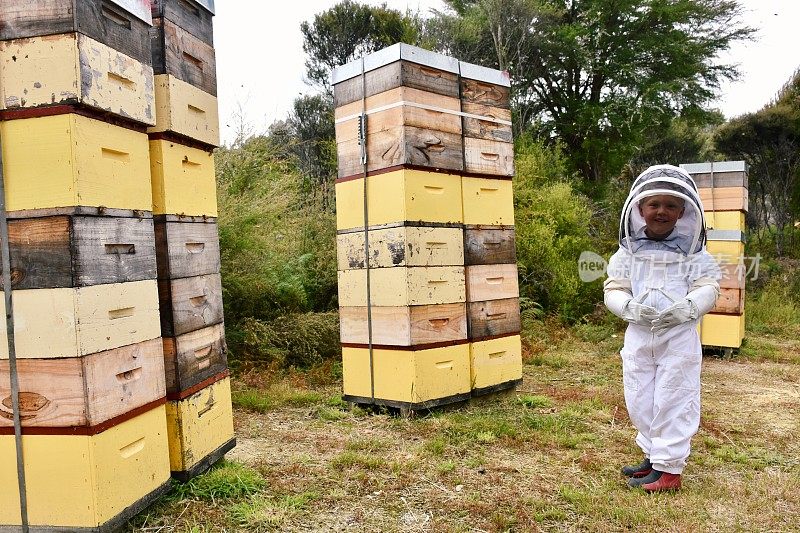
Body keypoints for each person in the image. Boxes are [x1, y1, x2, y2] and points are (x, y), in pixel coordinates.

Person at [603, 164, 721, 492]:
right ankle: (654, 458)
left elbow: (709, 287)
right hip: (640, 337)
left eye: (670, 205)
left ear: (683, 211)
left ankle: (669, 470)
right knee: (640, 396)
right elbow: (613, 288)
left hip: (678, 339)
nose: (661, 211)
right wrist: (627, 307)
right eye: (654, 204)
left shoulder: (694, 253)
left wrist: (688, 308)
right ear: (639, 209)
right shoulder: (627, 252)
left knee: (674, 397)